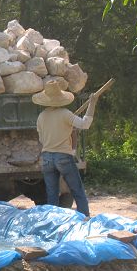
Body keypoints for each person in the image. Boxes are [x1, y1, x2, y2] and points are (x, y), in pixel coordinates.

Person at [32, 80, 97, 219]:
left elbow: (42, 140)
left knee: (52, 194)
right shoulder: (66, 114)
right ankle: (85, 219)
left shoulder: (41, 117)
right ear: (61, 98)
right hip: (63, 157)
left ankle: (53, 221)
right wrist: (92, 103)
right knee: (77, 190)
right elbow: (85, 124)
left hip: (47, 158)